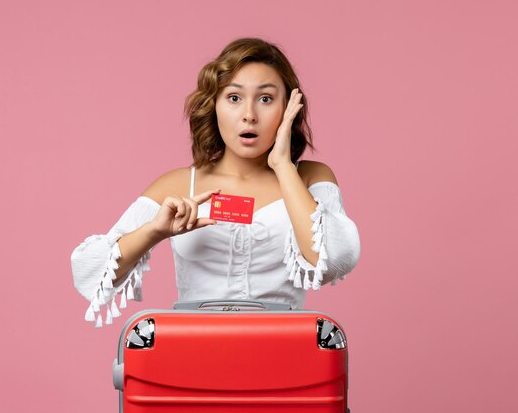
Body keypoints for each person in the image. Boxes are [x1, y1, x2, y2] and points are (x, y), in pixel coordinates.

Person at [71, 37, 361, 327]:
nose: (249, 115)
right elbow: (89, 270)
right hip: (192, 352)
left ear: (288, 108)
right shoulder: (179, 184)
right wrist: (154, 232)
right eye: (234, 98)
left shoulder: (310, 178)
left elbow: (333, 261)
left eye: (266, 99)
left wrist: (283, 166)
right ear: (214, 106)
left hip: (282, 352)